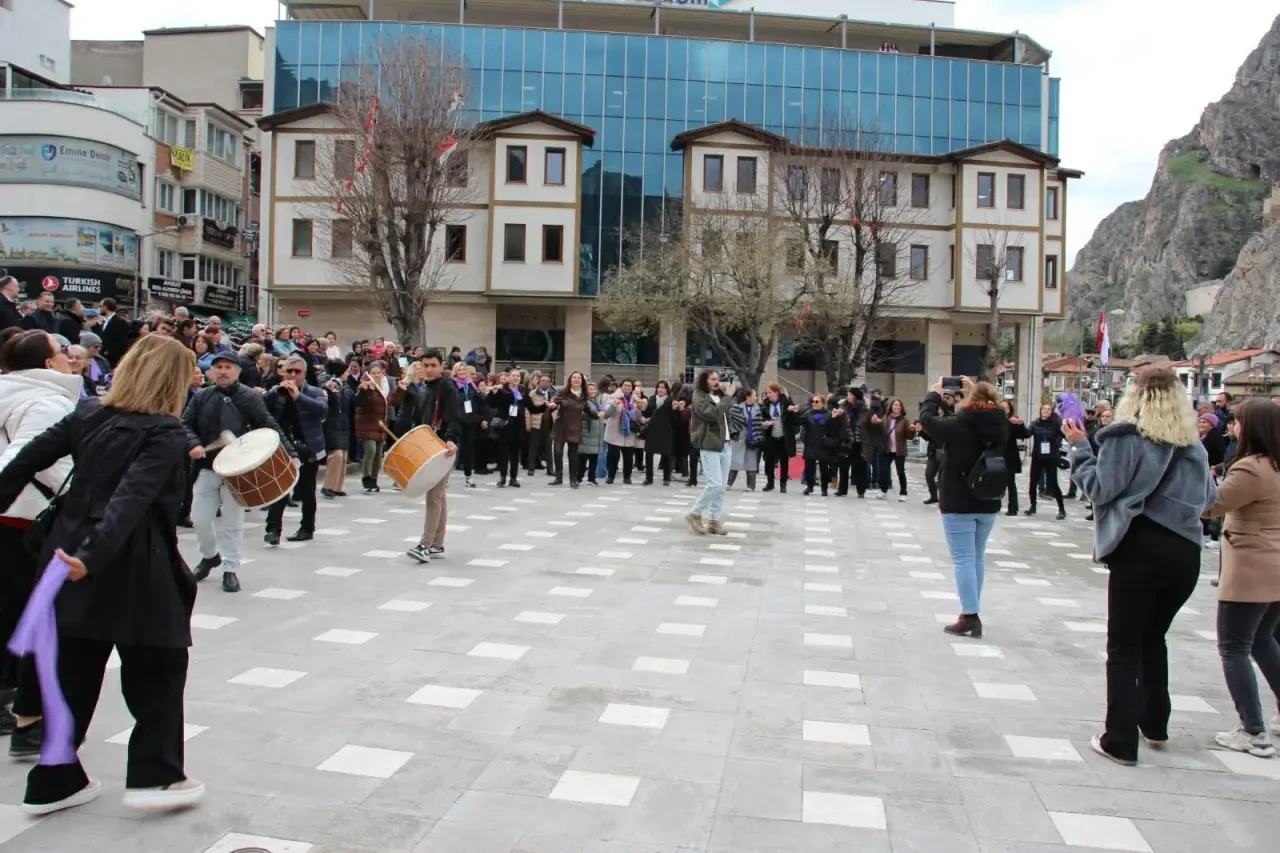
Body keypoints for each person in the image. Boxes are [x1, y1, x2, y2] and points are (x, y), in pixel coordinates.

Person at [0, 334, 205, 814]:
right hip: (134, 561)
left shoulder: (89, 413)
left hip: (65, 554)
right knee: (157, 667)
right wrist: (93, 556)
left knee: (71, 668)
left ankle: (55, 779)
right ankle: (156, 776)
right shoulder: (165, 432)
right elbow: (131, 500)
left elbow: (23, 460)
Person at [1067, 365, 1216, 767]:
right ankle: (1155, 723)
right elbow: (1208, 500)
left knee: (1124, 645)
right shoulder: (1193, 445)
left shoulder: (1125, 437)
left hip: (1140, 549)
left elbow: (1099, 488)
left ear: (1133, 395)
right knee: (1154, 636)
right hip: (1185, 553)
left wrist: (1080, 447)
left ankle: (1119, 739)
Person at [0, 330, 81, 754]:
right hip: (23, 516)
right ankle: (24, 712)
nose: (70, 359)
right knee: (32, 614)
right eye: (62, 353)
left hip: (12, 514)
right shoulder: (46, 400)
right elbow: (34, 459)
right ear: (49, 364)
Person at [1200, 399, 1280, 757]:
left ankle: (1253, 730)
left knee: (1234, 648)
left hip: (1251, 567)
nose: (1232, 427)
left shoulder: (1251, 468)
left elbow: (1212, 504)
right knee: (1263, 640)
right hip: (1274, 566)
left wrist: (1198, 470)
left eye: (1238, 422)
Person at [183, 352, 296, 593]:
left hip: (239, 470)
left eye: (228, 367)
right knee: (200, 519)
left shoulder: (249, 397)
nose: (223, 371)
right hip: (207, 467)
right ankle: (209, 555)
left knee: (233, 522)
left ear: (237, 371)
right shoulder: (202, 397)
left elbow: (268, 425)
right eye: (218, 367)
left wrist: (291, 454)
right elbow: (185, 424)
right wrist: (193, 444)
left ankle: (230, 568)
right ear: (211, 372)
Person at [918, 377, 1008, 640]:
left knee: (964, 559)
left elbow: (928, 421)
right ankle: (972, 610)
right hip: (988, 498)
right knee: (977, 557)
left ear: (970, 400)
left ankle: (970, 615)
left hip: (959, 498)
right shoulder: (1000, 424)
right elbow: (984, 411)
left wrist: (934, 395)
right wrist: (974, 390)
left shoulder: (960, 424)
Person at [399, 350, 460, 563]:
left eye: (433, 365)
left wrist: (451, 438)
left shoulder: (446, 386)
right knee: (438, 496)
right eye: (425, 365)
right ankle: (437, 544)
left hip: (443, 447)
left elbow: (454, 413)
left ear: (441, 365)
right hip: (428, 445)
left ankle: (425, 544)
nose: (428, 369)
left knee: (434, 496)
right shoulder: (424, 387)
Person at [263, 355, 327, 544]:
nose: (292, 375)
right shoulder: (278, 392)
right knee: (280, 489)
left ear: (304, 374)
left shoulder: (315, 391)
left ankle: (307, 528)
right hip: (284, 447)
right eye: (289, 371)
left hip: (308, 447)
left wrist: (298, 396)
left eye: (296, 372)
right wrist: (271, 393)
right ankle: (273, 529)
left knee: (307, 491)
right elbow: (262, 410)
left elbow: (322, 409)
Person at [686, 369, 736, 535]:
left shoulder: (719, 396)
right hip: (709, 444)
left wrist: (732, 433)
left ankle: (714, 520)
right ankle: (695, 513)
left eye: (717, 378)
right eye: (713, 379)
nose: (717, 382)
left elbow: (726, 417)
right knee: (714, 483)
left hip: (725, 444)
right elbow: (713, 414)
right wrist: (728, 396)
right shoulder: (699, 397)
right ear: (704, 381)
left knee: (721, 487)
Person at [353, 360, 399, 493]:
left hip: (381, 425)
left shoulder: (385, 386)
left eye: (379, 372)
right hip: (367, 424)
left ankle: (374, 479)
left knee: (378, 454)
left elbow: (393, 401)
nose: (377, 375)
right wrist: (367, 391)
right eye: (374, 373)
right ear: (369, 374)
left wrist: (401, 389)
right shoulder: (364, 385)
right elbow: (361, 403)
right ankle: (366, 478)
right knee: (371, 450)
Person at [550, 371, 596, 489]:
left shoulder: (583, 395)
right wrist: (552, 405)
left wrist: (597, 414)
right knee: (558, 451)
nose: (576, 379)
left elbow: (588, 409)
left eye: (578, 378)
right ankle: (558, 478)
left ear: (582, 381)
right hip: (561, 426)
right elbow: (554, 402)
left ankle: (573, 480)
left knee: (573, 455)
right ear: (570, 380)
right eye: (574, 377)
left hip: (575, 427)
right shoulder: (563, 392)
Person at [1026, 403, 1067, 519]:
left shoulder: (1055, 424)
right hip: (1037, 456)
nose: (1046, 410)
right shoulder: (1035, 423)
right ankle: (1032, 505)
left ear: (1051, 412)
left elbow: (1064, 435)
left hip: (1051, 457)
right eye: (1044, 408)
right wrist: (1018, 426)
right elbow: (1027, 433)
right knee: (1033, 482)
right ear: (1040, 411)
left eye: (1048, 409)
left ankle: (1061, 509)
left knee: (1053, 483)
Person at [799, 393, 844, 497]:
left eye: (817, 401)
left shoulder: (828, 414)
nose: (814, 403)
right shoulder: (808, 413)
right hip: (810, 443)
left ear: (823, 403)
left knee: (824, 468)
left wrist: (835, 418)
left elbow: (833, 429)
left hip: (823, 444)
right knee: (809, 467)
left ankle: (824, 488)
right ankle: (809, 486)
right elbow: (799, 422)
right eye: (813, 401)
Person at [320, 360, 354, 499]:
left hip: (344, 422)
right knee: (336, 455)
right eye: (346, 371)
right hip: (333, 422)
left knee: (343, 456)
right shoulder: (331, 385)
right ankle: (327, 486)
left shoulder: (345, 385)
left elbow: (352, 401)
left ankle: (337, 486)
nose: (348, 373)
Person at [490, 371, 529, 488]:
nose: (516, 378)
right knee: (503, 454)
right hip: (505, 425)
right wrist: (494, 393)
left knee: (515, 454)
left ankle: (513, 478)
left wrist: (544, 406)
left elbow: (530, 406)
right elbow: (492, 403)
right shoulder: (503, 390)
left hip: (518, 425)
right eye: (513, 376)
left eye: (518, 376)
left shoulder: (523, 390)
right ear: (508, 377)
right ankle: (502, 477)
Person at [759, 383, 798, 493]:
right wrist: (765, 423)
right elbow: (761, 419)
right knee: (769, 460)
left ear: (777, 392)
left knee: (784, 461)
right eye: (767, 393)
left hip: (783, 437)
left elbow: (795, 421)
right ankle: (770, 483)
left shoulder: (786, 403)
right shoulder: (766, 405)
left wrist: (792, 412)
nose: (768, 395)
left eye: (770, 392)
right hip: (770, 436)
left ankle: (783, 483)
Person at [604, 379, 643, 485]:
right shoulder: (613, 397)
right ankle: (610, 476)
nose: (627, 387)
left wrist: (639, 408)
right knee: (613, 456)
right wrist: (614, 405)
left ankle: (627, 477)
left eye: (629, 386)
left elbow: (638, 417)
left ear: (632, 388)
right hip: (615, 432)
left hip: (629, 432)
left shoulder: (635, 400)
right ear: (621, 387)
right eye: (625, 385)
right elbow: (607, 414)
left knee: (628, 457)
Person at [874, 398, 914, 501]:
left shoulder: (904, 421)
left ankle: (903, 492)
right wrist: (877, 423)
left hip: (899, 450)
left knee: (900, 471)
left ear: (901, 408)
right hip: (886, 449)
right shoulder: (886, 418)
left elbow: (909, 436)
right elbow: (880, 432)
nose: (897, 407)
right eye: (895, 405)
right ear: (891, 407)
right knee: (883, 471)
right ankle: (883, 490)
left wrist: (912, 430)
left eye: (899, 405)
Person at [921, 392, 954, 504]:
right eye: (943, 398)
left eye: (947, 398)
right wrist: (921, 431)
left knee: (943, 477)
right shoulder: (933, 416)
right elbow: (928, 436)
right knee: (929, 474)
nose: (945, 400)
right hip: (934, 450)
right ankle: (934, 496)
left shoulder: (952, 416)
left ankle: (945, 498)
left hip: (946, 451)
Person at [728, 388, 762, 491]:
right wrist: (733, 434)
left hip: (752, 438)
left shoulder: (758, 408)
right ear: (747, 397)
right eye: (754, 395)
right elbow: (731, 422)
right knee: (735, 460)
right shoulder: (736, 408)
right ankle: (728, 483)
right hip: (739, 437)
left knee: (751, 462)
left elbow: (760, 423)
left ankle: (751, 486)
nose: (756, 397)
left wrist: (764, 425)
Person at [1000, 400, 1030, 516]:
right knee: (997, 481)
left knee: (1010, 483)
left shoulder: (1013, 421)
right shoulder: (996, 420)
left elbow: (1025, 434)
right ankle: (995, 504)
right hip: (997, 454)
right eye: (1002, 408)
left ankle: (1013, 508)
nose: (1004, 410)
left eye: (1006, 408)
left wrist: (1020, 424)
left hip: (1009, 456)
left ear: (1010, 410)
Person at [837, 387, 868, 498]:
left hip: (859, 442)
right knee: (843, 466)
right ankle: (842, 490)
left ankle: (861, 490)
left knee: (860, 467)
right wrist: (837, 416)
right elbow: (838, 423)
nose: (848, 396)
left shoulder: (864, 409)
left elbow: (866, 424)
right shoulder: (843, 407)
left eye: (850, 394)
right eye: (848, 394)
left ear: (855, 396)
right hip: (847, 441)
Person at [860, 393, 889, 497]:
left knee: (868, 461)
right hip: (879, 440)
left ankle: (868, 482)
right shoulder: (881, 410)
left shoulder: (869, 411)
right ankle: (875, 481)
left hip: (869, 440)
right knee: (876, 463)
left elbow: (864, 424)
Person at [578, 382, 605, 486]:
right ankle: (579, 478)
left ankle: (591, 478)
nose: (593, 391)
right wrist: (598, 414)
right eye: (590, 389)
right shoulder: (584, 402)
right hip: (587, 434)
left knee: (594, 459)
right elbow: (590, 413)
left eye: (594, 389)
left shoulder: (597, 403)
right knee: (583, 459)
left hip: (596, 435)